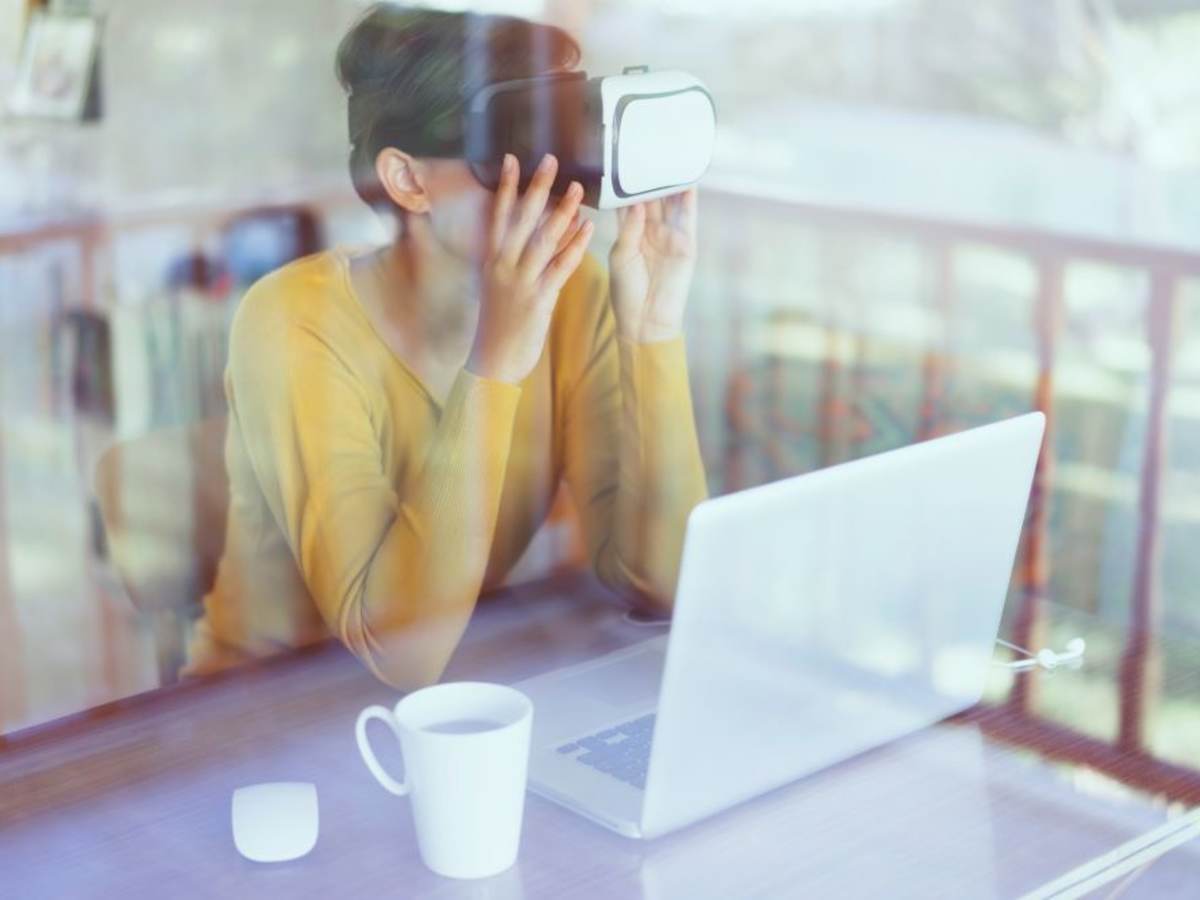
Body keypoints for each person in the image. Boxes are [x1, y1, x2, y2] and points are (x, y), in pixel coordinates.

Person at [182, 4, 708, 689]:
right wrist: (497, 362)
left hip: (461, 699)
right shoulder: (292, 318)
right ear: (407, 179)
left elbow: (665, 582)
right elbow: (400, 651)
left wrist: (652, 334)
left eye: (562, 133)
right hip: (256, 718)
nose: (558, 184)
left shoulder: (574, 292)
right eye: (516, 146)